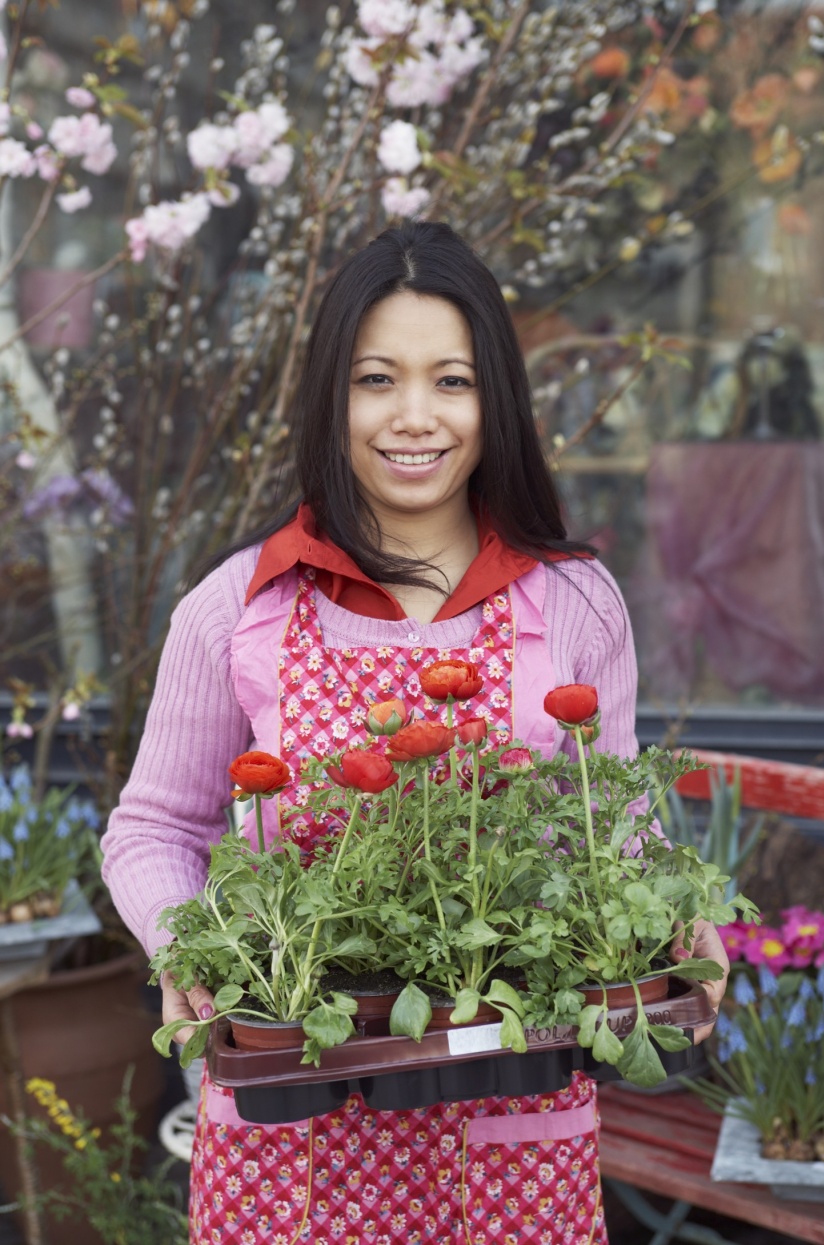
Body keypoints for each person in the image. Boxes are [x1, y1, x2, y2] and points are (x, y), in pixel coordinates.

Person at [102, 221, 728, 1245]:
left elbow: (604, 822)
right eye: (375, 379)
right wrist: (187, 948)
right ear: (328, 395)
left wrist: (668, 923)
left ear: (495, 402)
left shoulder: (573, 601)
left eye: (450, 381)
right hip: (293, 1109)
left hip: (514, 1103)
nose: (412, 417)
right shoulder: (239, 606)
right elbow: (152, 827)